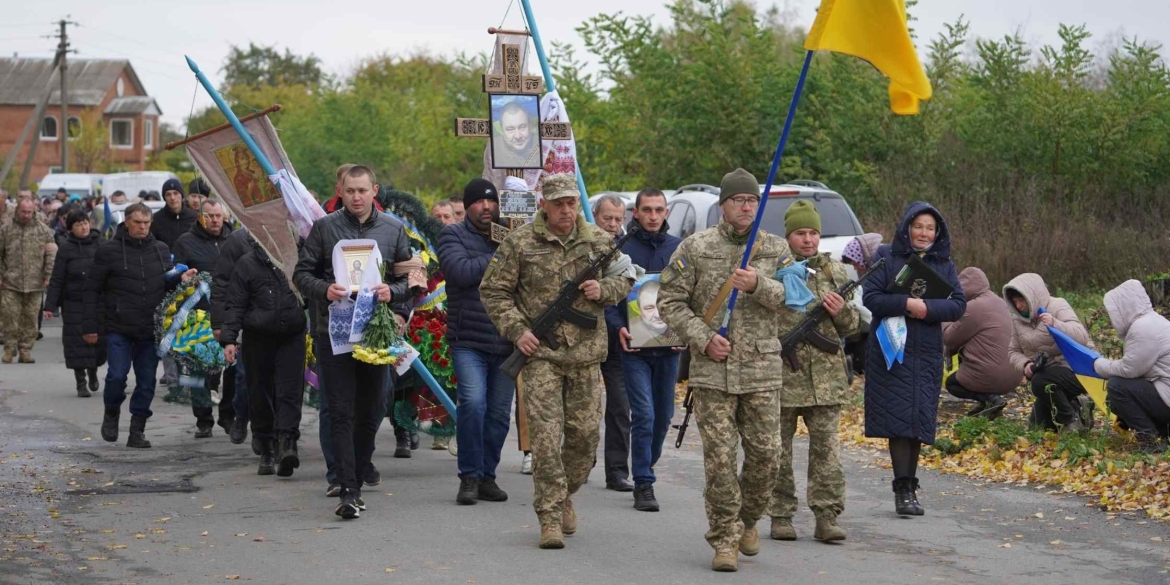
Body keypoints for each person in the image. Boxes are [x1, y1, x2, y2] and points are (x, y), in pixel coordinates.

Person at [481, 173, 634, 550]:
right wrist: (518, 330)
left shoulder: (600, 242)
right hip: (541, 357)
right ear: (544, 205)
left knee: (584, 439)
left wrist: (605, 290)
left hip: (585, 355)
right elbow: (494, 290)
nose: (566, 210)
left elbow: (627, 278)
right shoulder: (520, 243)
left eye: (571, 203)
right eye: (559, 204)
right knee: (547, 441)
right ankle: (549, 515)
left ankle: (565, 493)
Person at [657, 168, 791, 572]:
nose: (746, 207)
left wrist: (758, 286)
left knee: (768, 456)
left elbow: (795, 299)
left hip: (762, 371)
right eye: (739, 200)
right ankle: (724, 538)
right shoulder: (695, 248)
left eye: (752, 201)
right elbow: (669, 301)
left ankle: (749, 519)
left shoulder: (777, 250)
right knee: (719, 460)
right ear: (724, 205)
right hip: (713, 372)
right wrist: (702, 337)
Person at [293, 165, 413, 519]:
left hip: (375, 333)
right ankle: (348, 487)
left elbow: (413, 277)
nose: (357, 197)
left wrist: (392, 292)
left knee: (372, 407)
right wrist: (323, 290)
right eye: (350, 191)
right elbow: (301, 273)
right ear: (340, 192)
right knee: (341, 410)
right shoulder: (324, 228)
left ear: (374, 190)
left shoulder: (393, 229)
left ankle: (358, 472)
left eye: (363, 190)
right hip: (334, 332)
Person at [863, 202, 966, 517]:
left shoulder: (943, 263)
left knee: (917, 420)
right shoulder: (885, 257)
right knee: (897, 421)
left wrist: (928, 309)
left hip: (925, 354)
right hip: (892, 351)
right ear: (907, 227)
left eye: (930, 228)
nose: (923, 233)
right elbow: (871, 298)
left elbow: (958, 305)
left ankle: (910, 487)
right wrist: (907, 304)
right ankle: (902, 489)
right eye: (918, 226)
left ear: (937, 233)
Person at [768, 200, 856, 543]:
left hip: (826, 380)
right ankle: (780, 515)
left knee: (827, 454)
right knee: (777, 452)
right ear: (788, 235)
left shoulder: (835, 272)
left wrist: (840, 311)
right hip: (783, 377)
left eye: (813, 232)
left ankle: (826, 517)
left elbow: (851, 329)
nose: (808, 239)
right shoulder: (774, 269)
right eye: (801, 233)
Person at [85, 203, 196, 448]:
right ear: (126, 222)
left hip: (149, 329)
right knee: (116, 376)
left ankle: (137, 430)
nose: (143, 227)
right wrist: (90, 326)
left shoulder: (160, 249)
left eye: (147, 223)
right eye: (138, 222)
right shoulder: (109, 251)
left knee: (147, 382)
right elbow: (92, 290)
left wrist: (181, 279)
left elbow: (166, 284)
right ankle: (111, 412)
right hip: (119, 327)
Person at [438, 178, 516, 505]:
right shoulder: (452, 235)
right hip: (468, 338)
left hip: (506, 339)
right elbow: (460, 272)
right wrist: (503, 253)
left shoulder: (511, 236)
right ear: (468, 206)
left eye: (491, 202)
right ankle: (468, 477)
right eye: (479, 202)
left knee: (498, 413)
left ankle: (487, 476)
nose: (486, 207)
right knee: (473, 404)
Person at [613, 189, 684, 509]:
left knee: (664, 415)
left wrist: (687, 331)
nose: (653, 216)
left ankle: (647, 463)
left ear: (666, 213)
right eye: (647, 210)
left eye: (659, 210)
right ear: (635, 214)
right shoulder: (621, 248)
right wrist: (619, 327)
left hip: (669, 348)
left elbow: (691, 295)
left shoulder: (678, 248)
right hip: (635, 350)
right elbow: (609, 296)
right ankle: (643, 482)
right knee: (643, 413)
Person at [221, 238, 307, 475]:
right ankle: (267, 446)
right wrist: (229, 339)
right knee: (260, 392)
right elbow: (235, 304)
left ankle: (287, 443)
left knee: (290, 391)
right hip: (257, 338)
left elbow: (312, 292)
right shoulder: (247, 264)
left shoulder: (297, 260)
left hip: (292, 335)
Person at [172, 200, 235, 438]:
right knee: (200, 369)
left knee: (231, 367)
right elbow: (172, 273)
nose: (215, 220)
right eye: (209, 216)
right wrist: (182, 278)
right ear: (200, 217)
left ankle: (228, 415)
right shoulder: (185, 243)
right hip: (198, 313)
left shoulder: (235, 240)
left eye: (218, 215)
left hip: (229, 312)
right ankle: (204, 419)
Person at [1003, 273, 1094, 432]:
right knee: (1036, 428)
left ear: (1032, 296)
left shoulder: (1057, 305)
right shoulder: (1017, 320)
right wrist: (1026, 365)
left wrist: (1055, 323)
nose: (1018, 306)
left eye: (1021, 300)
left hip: (1076, 369)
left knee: (1039, 382)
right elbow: (1013, 351)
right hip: (1047, 375)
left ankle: (1071, 420)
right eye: (1015, 302)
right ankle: (1079, 404)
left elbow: (1082, 336)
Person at [1095, 280, 1170, 453]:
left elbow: (1129, 369)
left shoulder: (1143, 328)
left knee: (1116, 387)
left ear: (1123, 308)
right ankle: (1164, 432)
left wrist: (1099, 365)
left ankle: (1149, 440)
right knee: (1117, 399)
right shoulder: (1155, 321)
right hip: (1165, 392)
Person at [593, 194, 634, 494]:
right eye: (607, 217)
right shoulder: (584, 245)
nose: (612, 224)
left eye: (618, 219)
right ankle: (577, 461)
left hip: (619, 342)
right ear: (595, 216)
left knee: (620, 407)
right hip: (585, 339)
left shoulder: (626, 248)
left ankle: (618, 471)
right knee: (582, 408)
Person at [941, 267, 1019, 419]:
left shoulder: (973, 307)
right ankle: (988, 406)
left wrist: (944, 316)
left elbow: (949, 338)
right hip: (1015, 374)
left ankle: (991, 400)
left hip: (993, 375)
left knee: (952, 384)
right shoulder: (999, 301)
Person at [44, 209, 106, 396]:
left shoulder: (100, 245)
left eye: (85, 222)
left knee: (98, 342)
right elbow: (57, 279)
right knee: (75, 343)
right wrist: (50, 306)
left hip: (97, 301)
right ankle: (80, 382)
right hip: (73, 303)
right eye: (78, 224)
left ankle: (93, 371)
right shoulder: (66, 249)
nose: (83, 226)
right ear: (71, 228)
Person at [211, 226, 254, 447]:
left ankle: (274, 434)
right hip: (247, 321)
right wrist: (220, 323)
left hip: (284, 321)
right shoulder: (239, 239)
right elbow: (221, 281)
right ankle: (242, 416)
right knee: (244, 378)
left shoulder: (293, 234)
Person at [0, 198, 57, 363]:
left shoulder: (43, 230)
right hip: (10, 282)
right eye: (23, 211)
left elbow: (51, 255)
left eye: (29, 212)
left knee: (31, 319)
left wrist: (48, 276)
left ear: (34, 211)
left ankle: (25, 349)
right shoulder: (6, 229)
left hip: (35, 283)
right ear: (17, 210)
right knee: (9, 317)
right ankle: (10, 349)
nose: (26, 215)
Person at [150, 178, 198, 250]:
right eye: (168, 194)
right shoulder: (156, 219)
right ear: (164, 197)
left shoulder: (194, 217)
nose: (172, 198)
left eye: (176, 193)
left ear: (181, 195)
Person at [492, 102, 539, 168]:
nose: (518, 136)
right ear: (502, 129)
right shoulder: (494, 148)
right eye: (510, 129)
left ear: (529, 126)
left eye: (522, 127)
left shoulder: (542, 144)